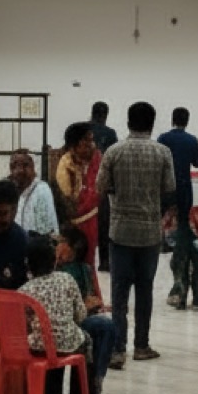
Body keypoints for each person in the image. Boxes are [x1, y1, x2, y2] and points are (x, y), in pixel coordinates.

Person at [95, 100, 175, 366]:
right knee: (144, 290)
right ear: (152, 124)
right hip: (150, 232)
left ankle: (118, 349)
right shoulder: (163, 152)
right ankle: (141, 346)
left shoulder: (113, 152)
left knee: (119, 294)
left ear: (128, 122)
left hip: (120, 231)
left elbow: (100, 186)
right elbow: (169, 187)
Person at [24, 234, 97, 394]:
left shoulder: (24, 290)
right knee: (84, 342)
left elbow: (25, 322)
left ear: (28, 264)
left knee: (49, 352)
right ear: (54, 260)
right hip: (66, 342)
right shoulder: (67, 279)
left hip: (36, 345)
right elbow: (81, 314)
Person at [55, 223, 115, 394]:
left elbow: (89, 301)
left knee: (105, 327)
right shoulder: (54, 269)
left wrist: (90, 306)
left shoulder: (82, 270)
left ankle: (94, 383)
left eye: (61, 242)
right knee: (102, 328)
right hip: (62, 323)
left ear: (73, 249)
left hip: (78, 320)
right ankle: (90, 389)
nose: (56, 245)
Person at [158, 105, 198, 311]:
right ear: (187, 121)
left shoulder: (163, 138)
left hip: (166, 189)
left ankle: (166, 244)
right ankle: (181, 247)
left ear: (172, 119)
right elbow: (197, 163)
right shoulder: (191, 140)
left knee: (167, 222)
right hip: (185, 189)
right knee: (184, 225)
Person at [54, 121, 101, 268]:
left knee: (89, 263)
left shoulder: (96, 159)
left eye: (92, 140)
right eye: (87, 141)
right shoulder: (65, 166)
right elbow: (68, 200)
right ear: (74, 145)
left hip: (92, 219)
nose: (92, 145)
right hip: (73, 224)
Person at [89, 101, 117, 270]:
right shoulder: (110, 134)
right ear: (105, 115)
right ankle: (104, 261)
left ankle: (86, 261)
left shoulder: (84, 131)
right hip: (102, 186)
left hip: (83, 185)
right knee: (104, 224)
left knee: (85, 225)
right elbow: (114, 160)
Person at [10, 149, 58, 236]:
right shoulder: (12, 190)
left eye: (25, 165)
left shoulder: (42, 189)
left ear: (34, 168)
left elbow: (45, 231)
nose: (20, 170)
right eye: (15, 166)